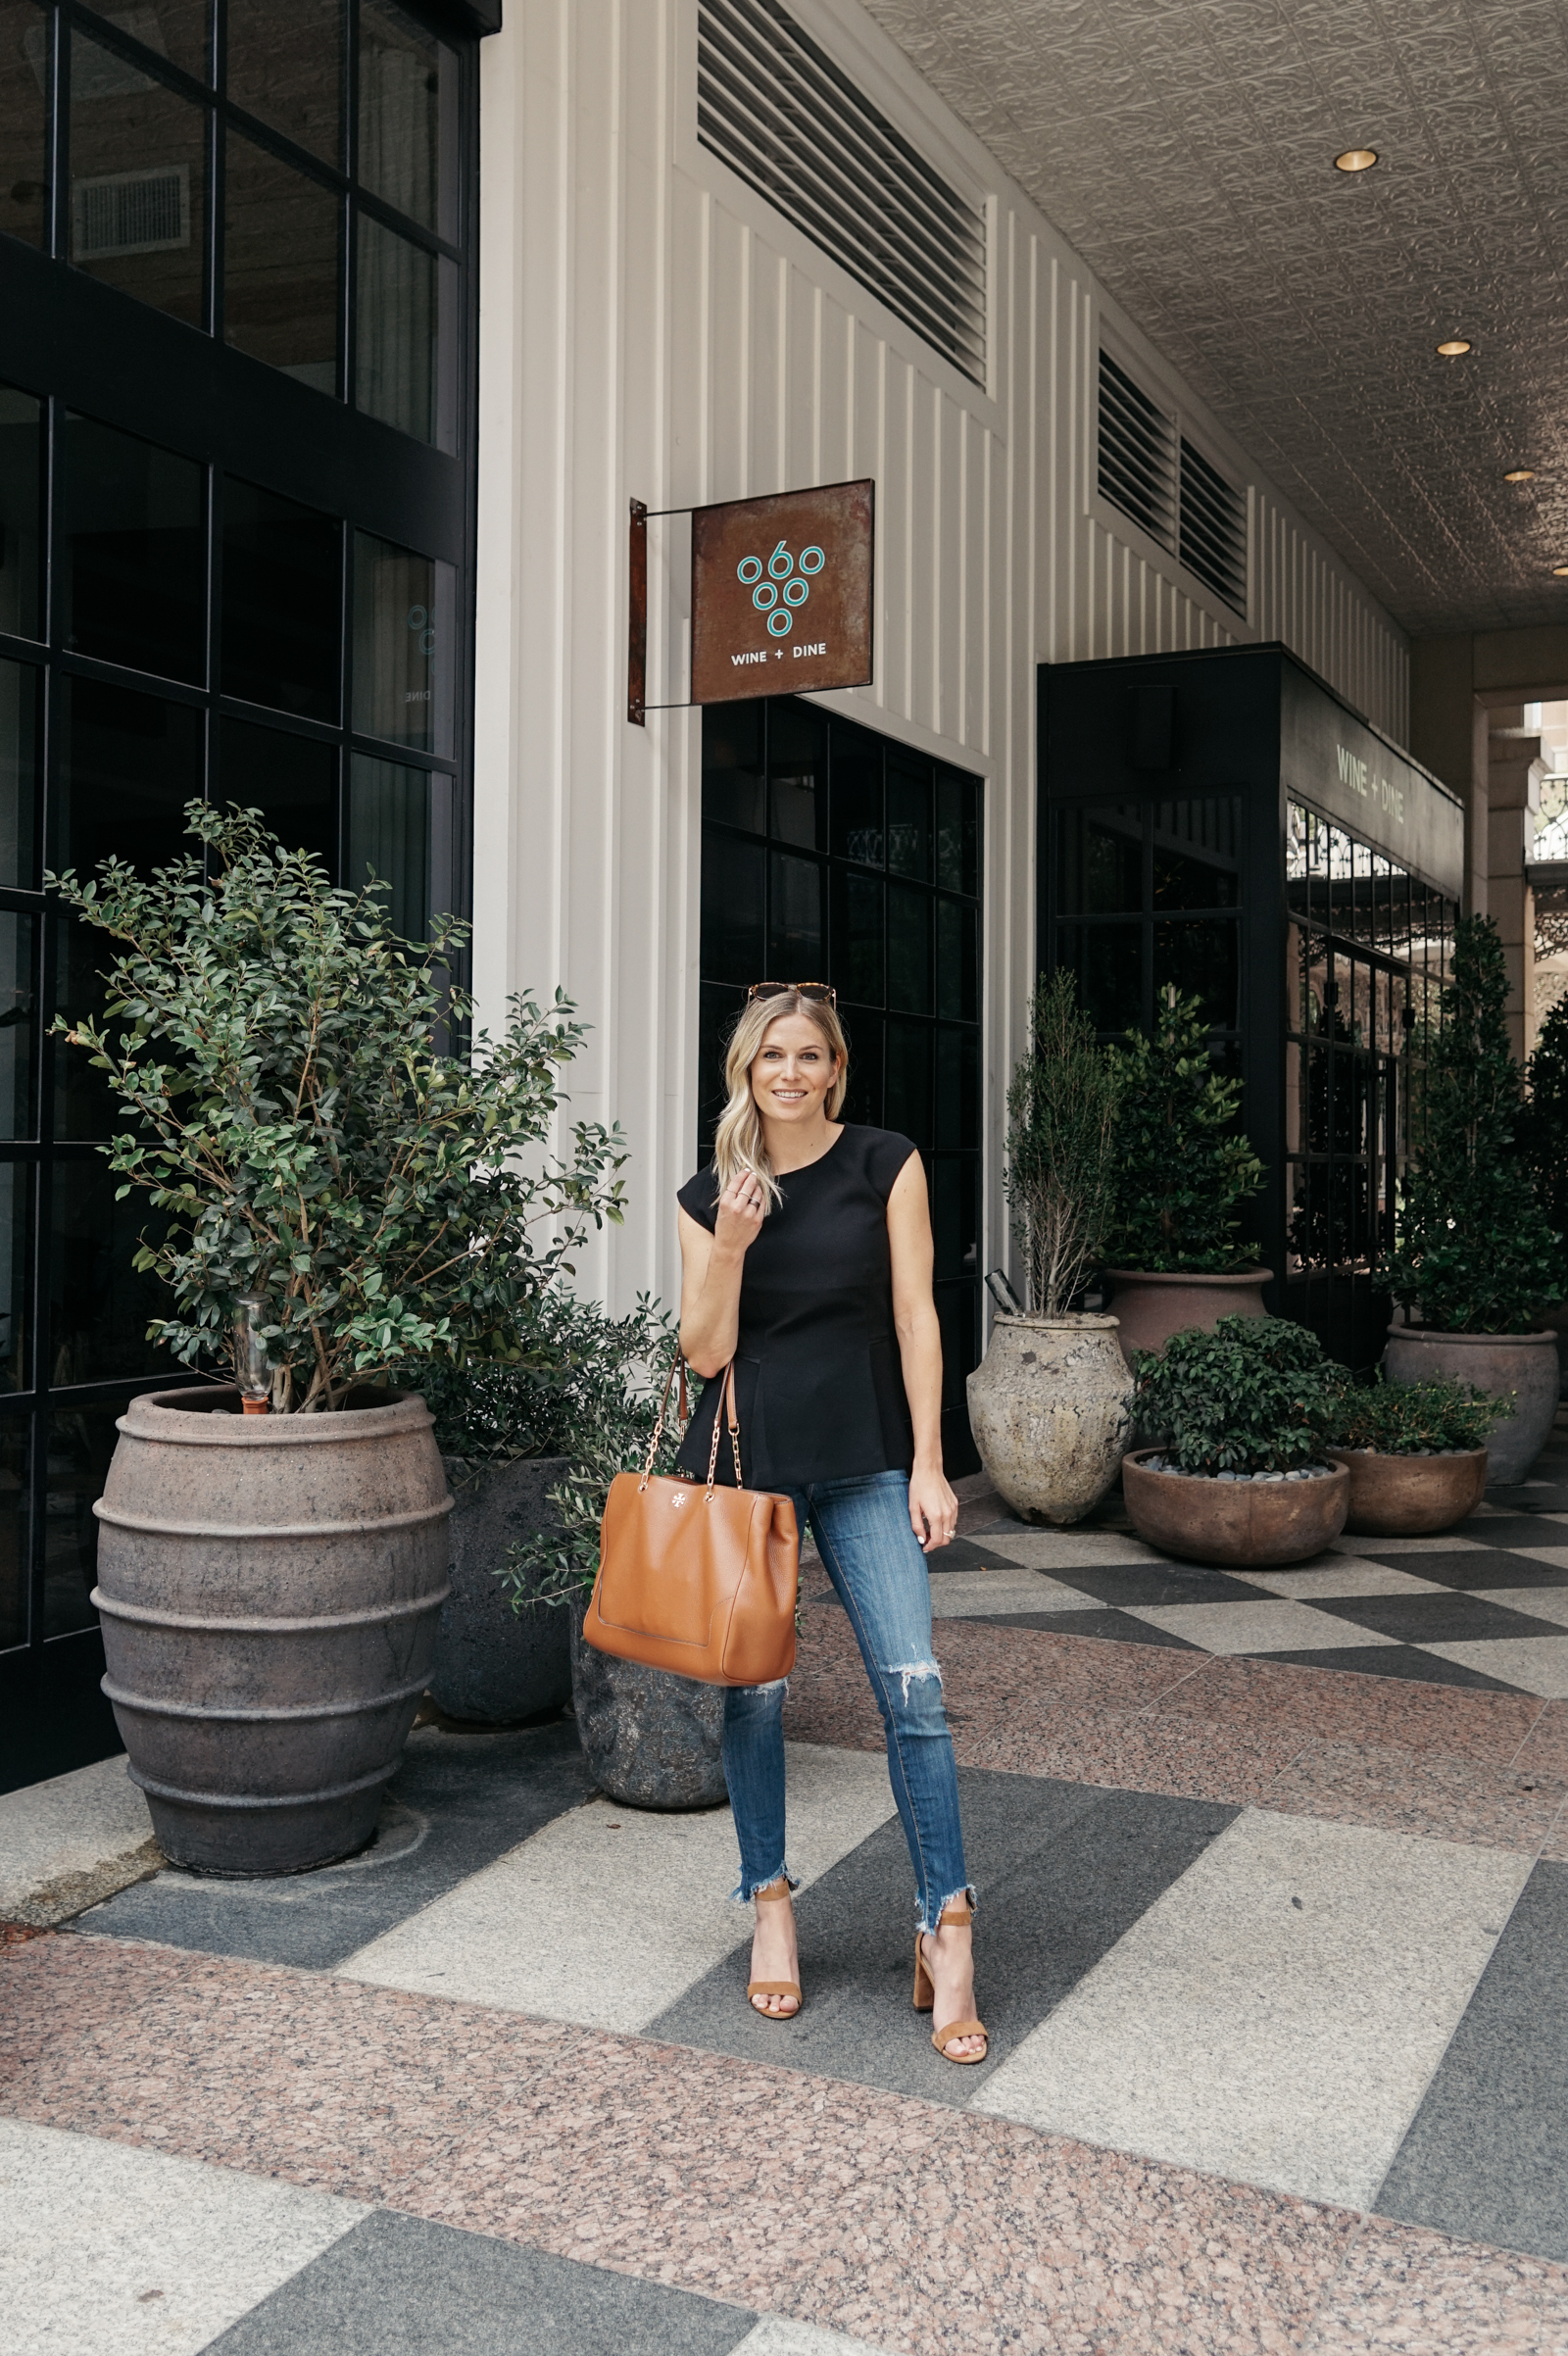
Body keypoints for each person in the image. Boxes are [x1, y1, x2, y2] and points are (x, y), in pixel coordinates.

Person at [676, 982, 987, 2065]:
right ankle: (769, 1903)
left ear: (835, 1069)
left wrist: (932, 1463)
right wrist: (728, 1238)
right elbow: (703, 1352)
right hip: (752, 1475)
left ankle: (944, 1927)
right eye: (773, 1055)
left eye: (811, 1055)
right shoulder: (709, 1191)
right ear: (745, 1071)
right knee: (755, 1698)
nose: (792, 1072)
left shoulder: (883, 1163)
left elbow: (915, 1312)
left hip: (864, 1463)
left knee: (916, 1691)